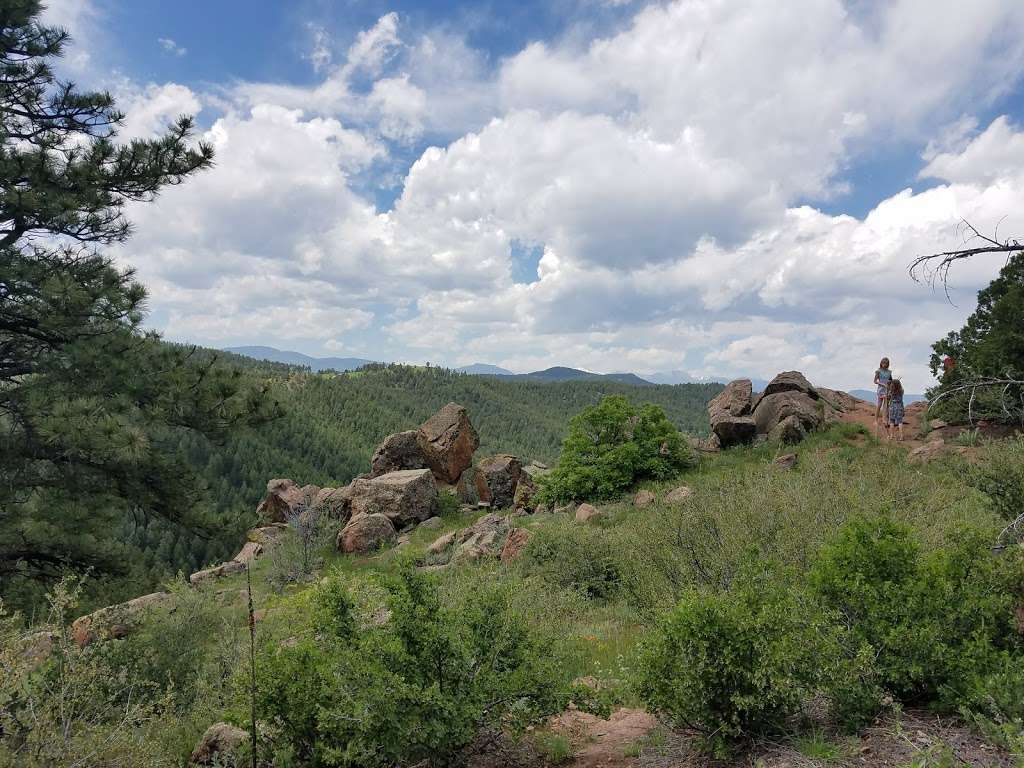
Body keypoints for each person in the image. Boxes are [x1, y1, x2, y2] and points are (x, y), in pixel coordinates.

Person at [874, 357, 892, 428]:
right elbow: (875, 381)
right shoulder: (878, 371)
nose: (884, 365)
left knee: (886, 406)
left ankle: (884, 420)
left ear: (888, 364)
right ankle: (875, 420)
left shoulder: (889, 372)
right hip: (881, 390)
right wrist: (883, 384)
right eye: (883, 363)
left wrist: (890, 385)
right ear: (881, 363)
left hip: (887, 390)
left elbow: (890, 380)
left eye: (886, 363)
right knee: (879, 405)